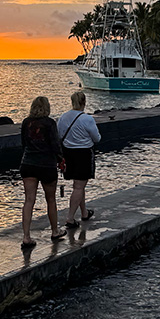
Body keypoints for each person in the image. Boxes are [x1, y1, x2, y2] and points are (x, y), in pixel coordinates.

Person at [19, 96, 67, 247]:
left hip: (28, 164)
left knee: (29, 200)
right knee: (51, 200)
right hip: (46, 165)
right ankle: (55, 231)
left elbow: (23, 143)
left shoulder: (26, 123)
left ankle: (26, 236)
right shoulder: (50, 123)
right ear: (47, 107)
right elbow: (55, 144)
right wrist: (61, 159)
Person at [56, 91, 101, 228]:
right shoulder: (87, 119)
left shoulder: (63, 117)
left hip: (68, 154)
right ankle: (70, 218)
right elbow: (97, 138)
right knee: (79, 186)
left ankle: (84, 212)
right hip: (83, 154)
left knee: (78, 186)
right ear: (84, 102)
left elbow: (59, 135)